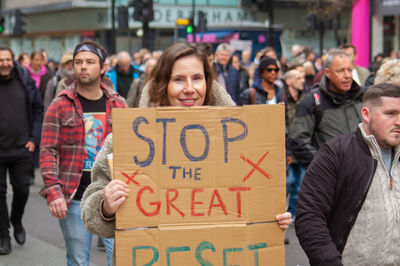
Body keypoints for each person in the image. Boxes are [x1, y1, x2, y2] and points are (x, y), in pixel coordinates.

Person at [80, 43, 292, 260]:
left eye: (197, 78)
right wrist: (106, 206)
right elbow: (91, 215)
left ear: (209, 84)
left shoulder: (238, 141)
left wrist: (271, 220)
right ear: (163, 85)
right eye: (179, 79)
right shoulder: (127, 142)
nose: (190, 88)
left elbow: (252, 206)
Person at [40, 40, 128, 266]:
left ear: (103, 68)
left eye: (90, 62)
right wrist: (53, 191)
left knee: (120, 260)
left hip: (113, 197)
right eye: (78, 62)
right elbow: (48, 150)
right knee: (78, 261)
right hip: (75, 197)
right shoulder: (60, 105)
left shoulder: (118, 104)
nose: (83, 67)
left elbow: (132, 151)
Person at [295, 83, 400, 265]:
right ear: (366, 114)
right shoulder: (336, 153)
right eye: (390, 114)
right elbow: (310, 216)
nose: (398, 121)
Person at [0, 47, 44, 255]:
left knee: (22, 190)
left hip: (22, 149)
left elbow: (38, 109)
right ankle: (3, 236)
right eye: (0, 60)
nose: (4, 63)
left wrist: (34, 139)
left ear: (13, 61)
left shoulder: (24, 81)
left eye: (7, 59)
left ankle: (16, 219)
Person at [289, 49, 364, 168]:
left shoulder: (362, 97)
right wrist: (324, 168)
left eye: (350, 70)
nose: (347, 75)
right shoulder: (313, 101)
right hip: (329, 181)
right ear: (327, 72)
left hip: (361, 176)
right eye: (340, 71)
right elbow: (298, 141)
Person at [280, 69, 306, 219]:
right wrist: (287, 151)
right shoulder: (281, 98)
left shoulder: (305, 99)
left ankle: (293, 214)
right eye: (298, 78)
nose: (302, 80)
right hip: (286, 148)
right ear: (289, 81)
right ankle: (282, 214)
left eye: (302, 77)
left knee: (300, 185)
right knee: (287, 183)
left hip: (301, 147)